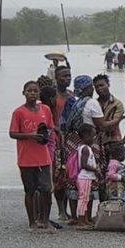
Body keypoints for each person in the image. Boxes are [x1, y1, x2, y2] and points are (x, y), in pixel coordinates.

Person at [8, 81, 55, 233]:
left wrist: (44, 137)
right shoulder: (19, 112)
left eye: (35, 91)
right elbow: (12, 133)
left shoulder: (46, 109)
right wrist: (30, 135)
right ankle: (32, 222)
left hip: (43, 156)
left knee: (46, 189)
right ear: (24, 93)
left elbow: (49, 128)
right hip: (26, 157)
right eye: (29, 91)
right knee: (30, 190)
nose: (33, 94)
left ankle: (45, 221)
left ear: (39, 93)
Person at [61, 75, 106, 224]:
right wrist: (117, 120)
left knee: (73, 178)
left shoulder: (75, 102)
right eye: (91, 86)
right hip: (88, 140)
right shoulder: (92, 102)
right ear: (88, 88)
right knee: (89, 180)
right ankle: (85, 216)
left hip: (72, 142)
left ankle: (74, 215)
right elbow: (101, 125)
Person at [52, 66, 72, 219]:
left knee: (69, 174)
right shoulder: (52, 96)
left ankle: (68, 208)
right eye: (63, 76)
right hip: (56, 140)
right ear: (56, 78)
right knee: (58, 175)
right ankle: (61, 209)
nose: (67, 79)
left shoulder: (72, 96)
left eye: (69, 76)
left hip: (69, 140)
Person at [74, 123, 102, 230]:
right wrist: (95, 169)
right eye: (92, 136)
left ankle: (84, 219)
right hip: (84, 177)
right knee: (83, 199)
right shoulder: (85, 149)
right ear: (86, 136)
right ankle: (81, 221)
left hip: (86, 177)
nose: (94, 138)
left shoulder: (83, 147)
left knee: (85, 198)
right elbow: (83, 164)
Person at [93, 74, 125, 158]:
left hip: (113, 141)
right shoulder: (94, 104)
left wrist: (102, 124)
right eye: (96, 87)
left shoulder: (117, 103)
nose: (99, 88)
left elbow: (115, 122)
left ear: (108, 84)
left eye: (101, 85)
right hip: (97, 142)